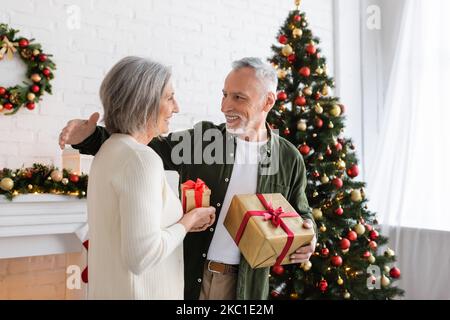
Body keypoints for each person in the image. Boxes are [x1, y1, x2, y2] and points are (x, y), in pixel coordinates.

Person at [59, 57, 316, 300]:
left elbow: (300, 211)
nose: (225, 106)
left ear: (268, 101)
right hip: (192, 276)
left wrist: (309, 235)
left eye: (239, 97)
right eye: (224, 95)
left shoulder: (288, 158)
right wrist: (89, 137)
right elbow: (142, 143)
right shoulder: (204, 141)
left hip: (245, 285)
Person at [84, 56, 215, 299]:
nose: (176, 107)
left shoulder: (109, 150)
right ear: (143, 102)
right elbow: (141, 257)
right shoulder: (141, 159)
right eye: (169, 97)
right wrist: (188, 221)